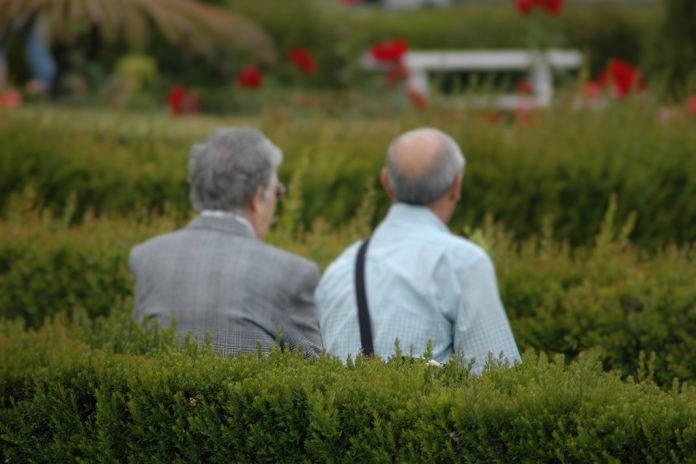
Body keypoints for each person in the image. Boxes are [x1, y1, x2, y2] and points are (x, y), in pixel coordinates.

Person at [315, 127, 520, 372]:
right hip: (425, 410)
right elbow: (497, 377)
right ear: (457, 185)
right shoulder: (463, 263)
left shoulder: (340, 269)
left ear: (386, 183)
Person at [129, 128, 323, 357]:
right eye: (276, 192)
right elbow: (316, 372)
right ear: (258, 199)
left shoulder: (146, 257)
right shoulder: (293, 273)